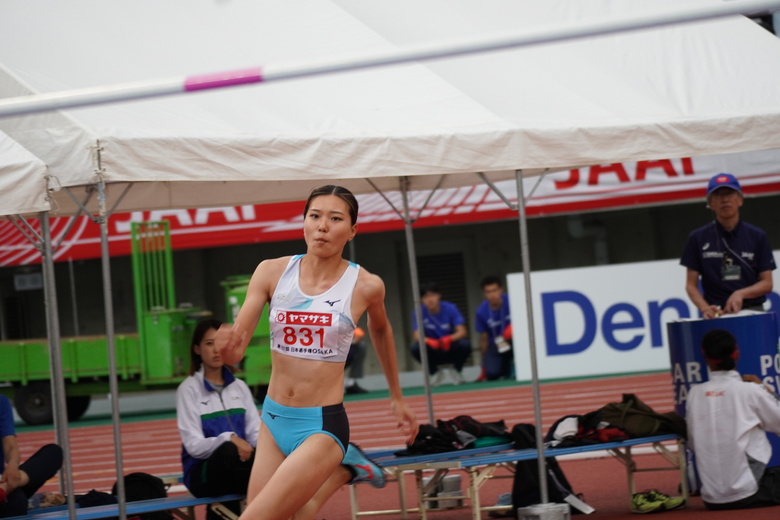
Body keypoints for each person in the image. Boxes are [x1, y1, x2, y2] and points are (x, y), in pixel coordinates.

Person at [216, 185, 418, 520]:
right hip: (273, 418)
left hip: (321, 426)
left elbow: (380, 329)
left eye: (335, 218)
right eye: (315, 216)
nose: (323, 225)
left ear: (352, 231)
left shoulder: (366, 285)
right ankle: (344, 471)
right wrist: (229, 350)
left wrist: (397, 396)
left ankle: (340, 461)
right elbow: (239, 343)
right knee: (286, 514)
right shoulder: (271, 272)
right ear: (304, 222)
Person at [686, 329, 780, 510]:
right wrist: (767, 391)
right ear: (737, 352)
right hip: (750, 491)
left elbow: (692, 443)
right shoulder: (750, 390)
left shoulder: (694, 394)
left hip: (711, 498)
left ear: (705, 355)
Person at [176, 318, 260, 520]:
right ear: (197, 349)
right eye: (209, 343)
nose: (216, 350)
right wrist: (228, 438)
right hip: (202, 473)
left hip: (238, 467)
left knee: (270, 456)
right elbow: (194, 446)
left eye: (220, 343)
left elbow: (256, 434)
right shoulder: (188, 390)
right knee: (229, 452)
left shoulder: (239, 387)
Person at [680, 173, 775, 319]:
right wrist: (705, 308)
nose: (724, 200)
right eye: (718, 195)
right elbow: (690, 285)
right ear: (710, 203)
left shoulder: (757, 236)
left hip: (753, 312)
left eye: (729, 194)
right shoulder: (697, 238)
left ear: (740, 200)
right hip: (717, 313)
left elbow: (767, 284)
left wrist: (740, 294)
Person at [0, 395, 63, 518]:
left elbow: (10, 446)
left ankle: (11, 484)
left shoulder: (1, 402)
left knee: (53, 452)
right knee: (17, 502)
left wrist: (13, 466)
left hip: (4, 481)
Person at [410, 282, 471, 386]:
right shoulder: (418, 312)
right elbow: (416, 336)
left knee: (465, 344)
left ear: (438, 295)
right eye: (425, 297)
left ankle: (457, 370)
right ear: (421, 299)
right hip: (433, 349)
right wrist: (429, 341)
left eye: (432, 295)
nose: (430, 300)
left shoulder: (450, 308)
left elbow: (462, 331)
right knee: (415, 348)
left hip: (449, 347)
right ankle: (434, 372)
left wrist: (448, 339)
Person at [475, 275, 513, 381]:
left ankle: (515, 366)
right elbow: (483, 338)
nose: (492, 295)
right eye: (488, 292)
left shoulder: (512, 300)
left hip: (515, 341)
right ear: (484, 294)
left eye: (495, 290)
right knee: (492, 373)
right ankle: (504, 368)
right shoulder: (481, 312)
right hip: (496, 344)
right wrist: (483, 364)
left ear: (501, 290)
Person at [344, 326, 369, 394]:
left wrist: (350, 344)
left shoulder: (348, 322)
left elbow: (359, 334)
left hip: (345, 350)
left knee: (361, 346)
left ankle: (350, 383)